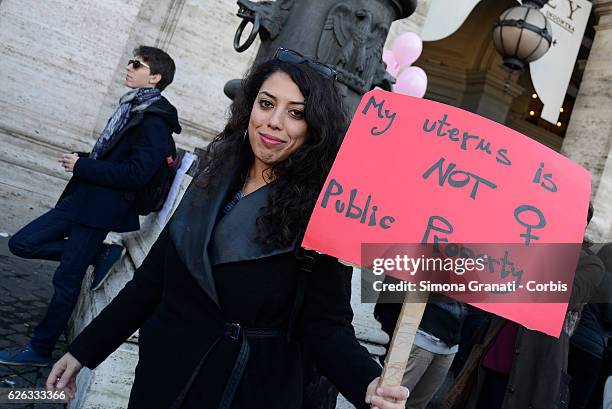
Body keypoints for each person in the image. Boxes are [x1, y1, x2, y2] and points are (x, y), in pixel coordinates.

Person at [44, 49, 408, 409]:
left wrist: (368, 383)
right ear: (249, 107)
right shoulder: (211, 177)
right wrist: (83, 351)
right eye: (266, 104)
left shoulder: (322, 214)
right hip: (162, 378)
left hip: (240, 390)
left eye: (296, 113)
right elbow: (151, 282)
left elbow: (326, 327)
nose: (274, 122)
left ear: (315, 128)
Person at [0, 45, 180, 367]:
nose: (128, 66)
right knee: (22, 243)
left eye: (136, 64)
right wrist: (84, 159)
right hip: (83, 198)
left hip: (100, 209)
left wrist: (82, 167)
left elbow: (136, 174)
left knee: (65, 282)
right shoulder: (132, 107)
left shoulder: (154, 120)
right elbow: (117, 157)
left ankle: (40, 349)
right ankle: (98, 255)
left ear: (154, 77)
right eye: (130, 61)